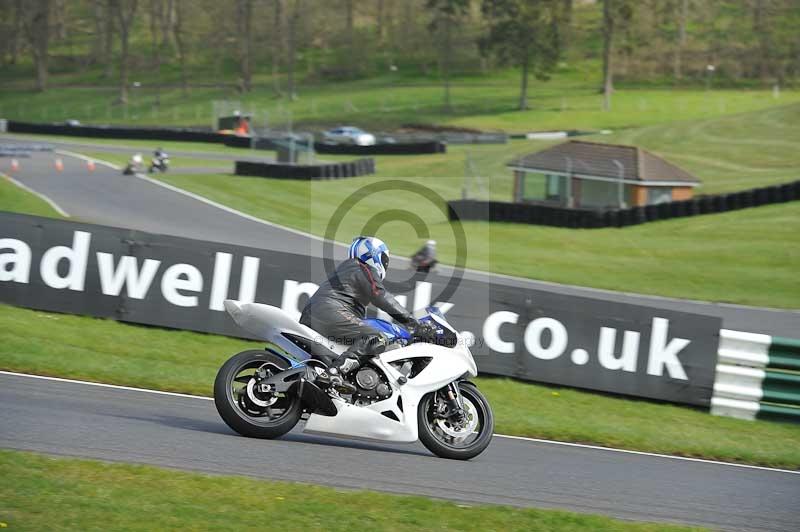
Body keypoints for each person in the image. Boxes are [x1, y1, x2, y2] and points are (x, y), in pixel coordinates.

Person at [300, 236, 434, 386]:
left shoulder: (350, 269)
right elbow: (380, 296)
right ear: (372, 254)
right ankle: (333, 373)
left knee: (364, 340)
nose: (385, 263)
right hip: (329, 310)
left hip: (318, 313)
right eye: (384, 259)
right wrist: (413, 323)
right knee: (376, 338)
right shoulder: (362, 267)